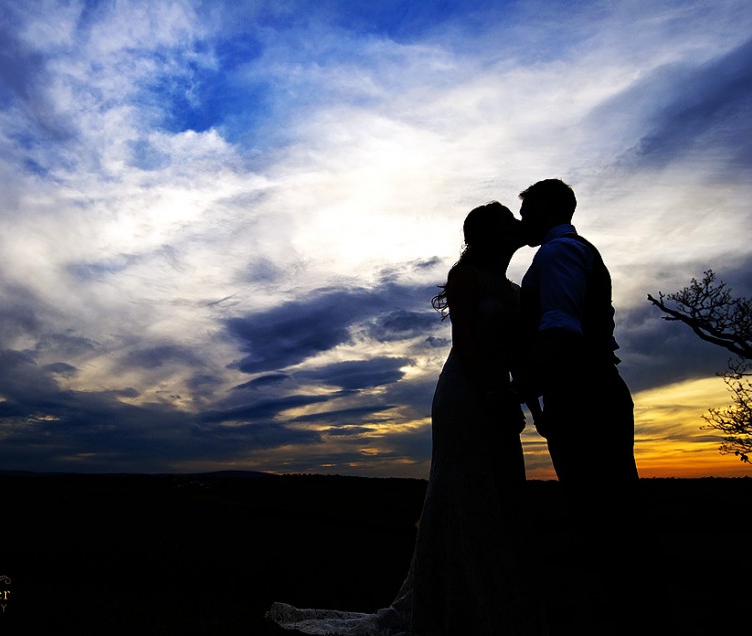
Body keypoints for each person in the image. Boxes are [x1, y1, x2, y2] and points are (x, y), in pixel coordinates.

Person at [268, 202, 546, 635]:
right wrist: (493, 394)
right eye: (510, 220)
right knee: (464, 492)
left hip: (500, 393)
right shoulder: (465, 277)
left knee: (499, 493)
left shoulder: (514, 289)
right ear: (491, 233)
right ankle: (448, 603)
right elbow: (468, 342)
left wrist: (525, 400)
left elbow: (518, 352)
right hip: (466, 396)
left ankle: (488, 601)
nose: (518, 225)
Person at [517, 178, 639, 633]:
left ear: (548, 209)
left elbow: (561, 330)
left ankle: (629, 613)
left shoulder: (557, 253)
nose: (522, 220)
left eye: (527, 211)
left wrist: (520, 390)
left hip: (584, 395)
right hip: (586, 393)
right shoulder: (568, 252)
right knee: (607, 513)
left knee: (605, 515)